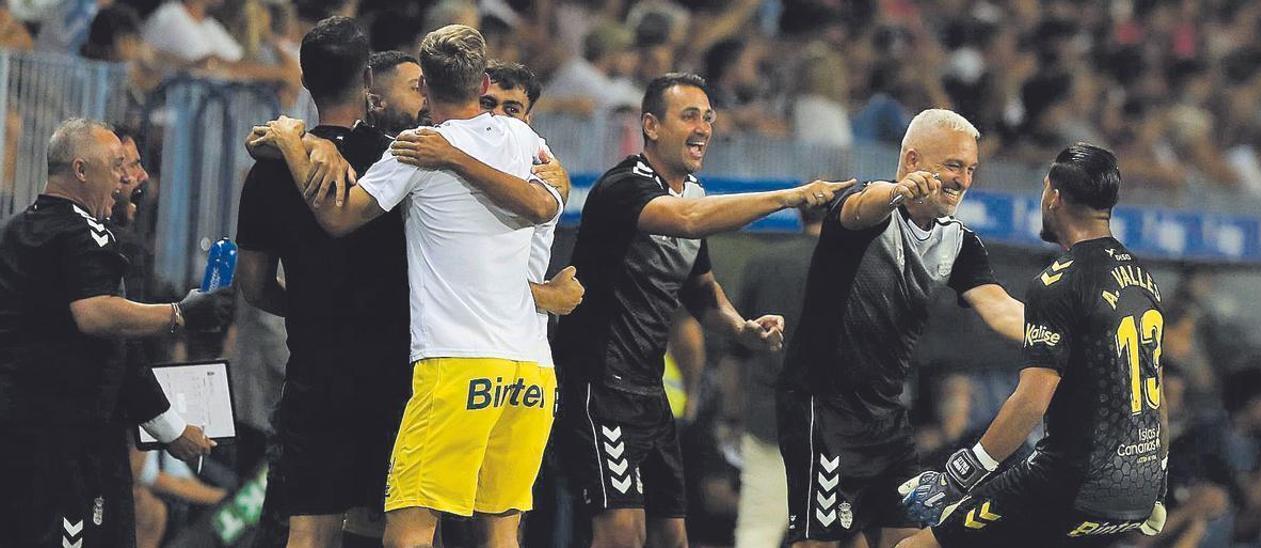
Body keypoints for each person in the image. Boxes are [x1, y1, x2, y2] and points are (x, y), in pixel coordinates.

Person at [253, 24, 567, 548]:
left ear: (425, 88)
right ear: (483, 80)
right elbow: (543, 202)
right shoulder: (525, 138)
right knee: (502, 531)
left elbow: (338, 217)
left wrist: (294, 143)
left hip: (456, 364)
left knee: (410, 530)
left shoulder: (418, 147)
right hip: (531, 370)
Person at [551, 72, 853, 548]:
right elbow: (688, 223)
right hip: (598, 386)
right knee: (621, 536)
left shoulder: (694, 192)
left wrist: (743, 328)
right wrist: (787, 196)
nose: (703, 128)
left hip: (650, 392)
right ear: (650, 125)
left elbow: (702, 292)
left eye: (708, 117)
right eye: (689, 115)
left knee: (673, 534)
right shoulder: (623, 187)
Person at [898, 143, 1169, 547]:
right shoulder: (1144, 281)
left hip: (1070, 483)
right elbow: (1154, 394)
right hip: (1138, 489)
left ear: (1055, 196)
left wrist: (957, 478)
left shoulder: (1060, 283)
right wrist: (1157, 475)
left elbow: (1030, 403)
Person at [776, 109, 1024, 548]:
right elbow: (859, 209)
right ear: (912, 160)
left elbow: (999, 306)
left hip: (887, 418)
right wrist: (896, 192)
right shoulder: (860, 208)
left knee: (911, 541)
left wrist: (1063, 334)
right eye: (953, 166)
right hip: (823, 412)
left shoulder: (959, 241)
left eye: (970, 169)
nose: (963, 181)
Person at [0, 117, 230, 546]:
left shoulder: (16, 231)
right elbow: (97, 317)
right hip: (68, 444)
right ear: (82, 170)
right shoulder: (87, 232)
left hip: (19, 434)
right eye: (117, 165)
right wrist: (180, 313)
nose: (127, 178)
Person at [236, 17, 418, 548]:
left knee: (308, 530)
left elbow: (252, 284)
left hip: (314, 371)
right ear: (368, 79)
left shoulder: (269, 168)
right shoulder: (397, 160)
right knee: (379, 526)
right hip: (392, 372)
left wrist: (310, 308)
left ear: (305, 78)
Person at [722, 205, 825, 548]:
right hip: (834, 422)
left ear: (802, 214)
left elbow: (736, 351)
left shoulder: (765, 264)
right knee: (821, 532)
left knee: (758, 527)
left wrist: (733, 416)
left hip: (770, 417)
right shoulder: (859, 267)